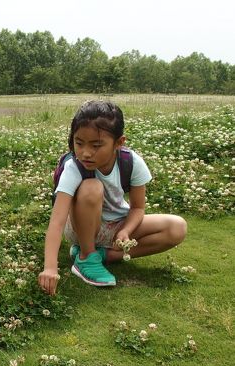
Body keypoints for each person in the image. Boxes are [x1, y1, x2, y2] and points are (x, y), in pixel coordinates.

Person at [38, 100, 187, 295]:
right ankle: (86, 256)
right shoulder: (74, 167)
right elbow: (57, 221)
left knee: (177, 227)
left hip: (117, 225)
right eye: (79, 143)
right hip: (81, 227)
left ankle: (103, 255)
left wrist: (126, 230)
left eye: (96, 145)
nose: (86, 153)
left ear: (119, 142)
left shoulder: (131, 162)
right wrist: (50, 267)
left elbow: (137, 208)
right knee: (92, 187)